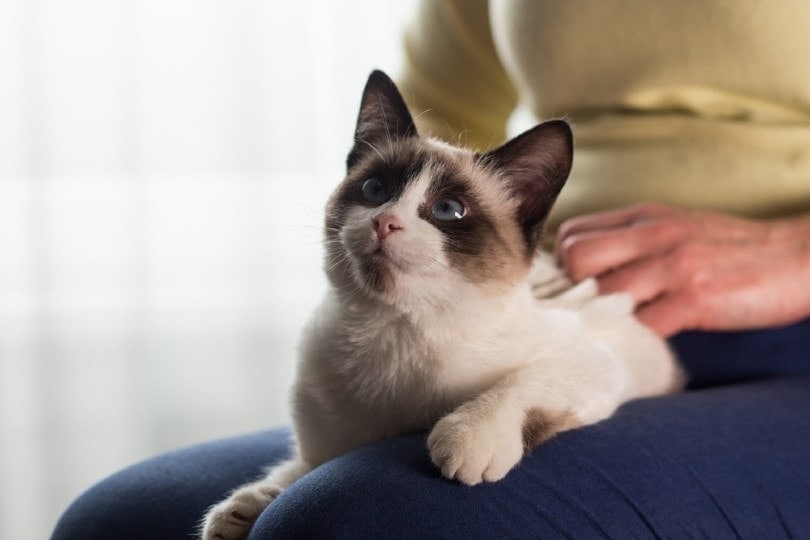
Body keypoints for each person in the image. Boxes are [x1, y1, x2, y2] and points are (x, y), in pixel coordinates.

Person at [53, 2, 810, 538]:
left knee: (370, 521)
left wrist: (792, 256)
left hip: (782, 348)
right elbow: (428, 124)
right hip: (554, 295)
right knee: (120, 520)